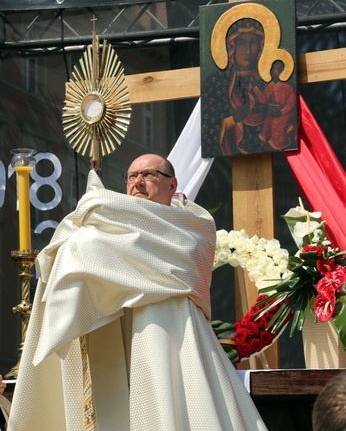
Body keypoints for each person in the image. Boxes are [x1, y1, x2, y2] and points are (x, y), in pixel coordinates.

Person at [8, 154, 267, 431]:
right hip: (113, 333)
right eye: (132, 176)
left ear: (172, 184)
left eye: (150, 174)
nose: (138, 182)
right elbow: (76, 251)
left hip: (171, 333)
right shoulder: (108, 225)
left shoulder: (193, 226)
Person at [201, 18, 268, 157]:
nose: (248, 51)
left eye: (254, 42)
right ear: (232, 45)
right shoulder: (216, 82)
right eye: (242, 42)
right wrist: (233, 119)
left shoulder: (268, 80)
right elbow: (209, 130)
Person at [253, 60, 296, 150]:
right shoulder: (271, 85)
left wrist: (281, 111)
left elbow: (291, 103)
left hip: (284, 114)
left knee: (278, 123)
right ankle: (266, 143)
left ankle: (279, 144)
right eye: (272, 69)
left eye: (276, 69)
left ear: (282, 71)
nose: (273, 71)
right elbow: (264, 100)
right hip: (272, 112)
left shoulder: (287, 86)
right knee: (268, 121)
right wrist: (256, 88)